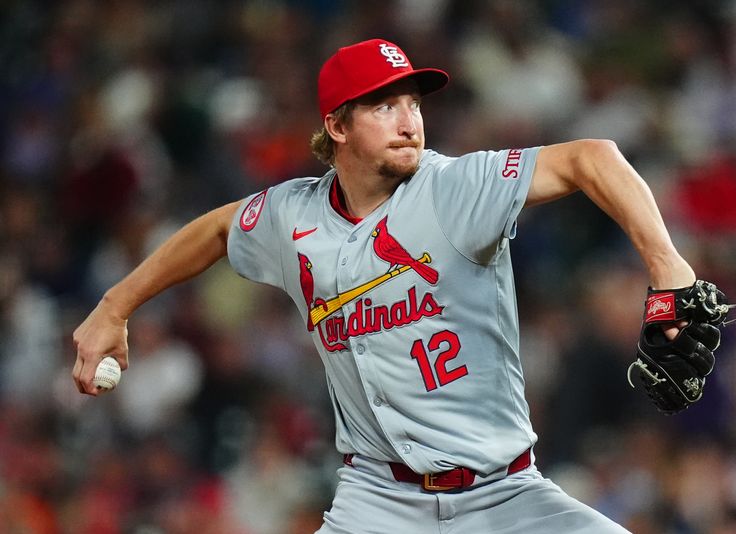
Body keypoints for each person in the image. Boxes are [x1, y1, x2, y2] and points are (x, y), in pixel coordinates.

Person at [73, 38, 698, 533]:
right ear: (338, 126)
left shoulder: (455, 189)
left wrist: (668, 268)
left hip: (505, 495)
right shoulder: (293, 216)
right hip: (376, 502)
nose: (409, 122)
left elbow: (594, 157)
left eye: (415, 103)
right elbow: (214, 230)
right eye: (384, 105)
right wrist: (114, 305)